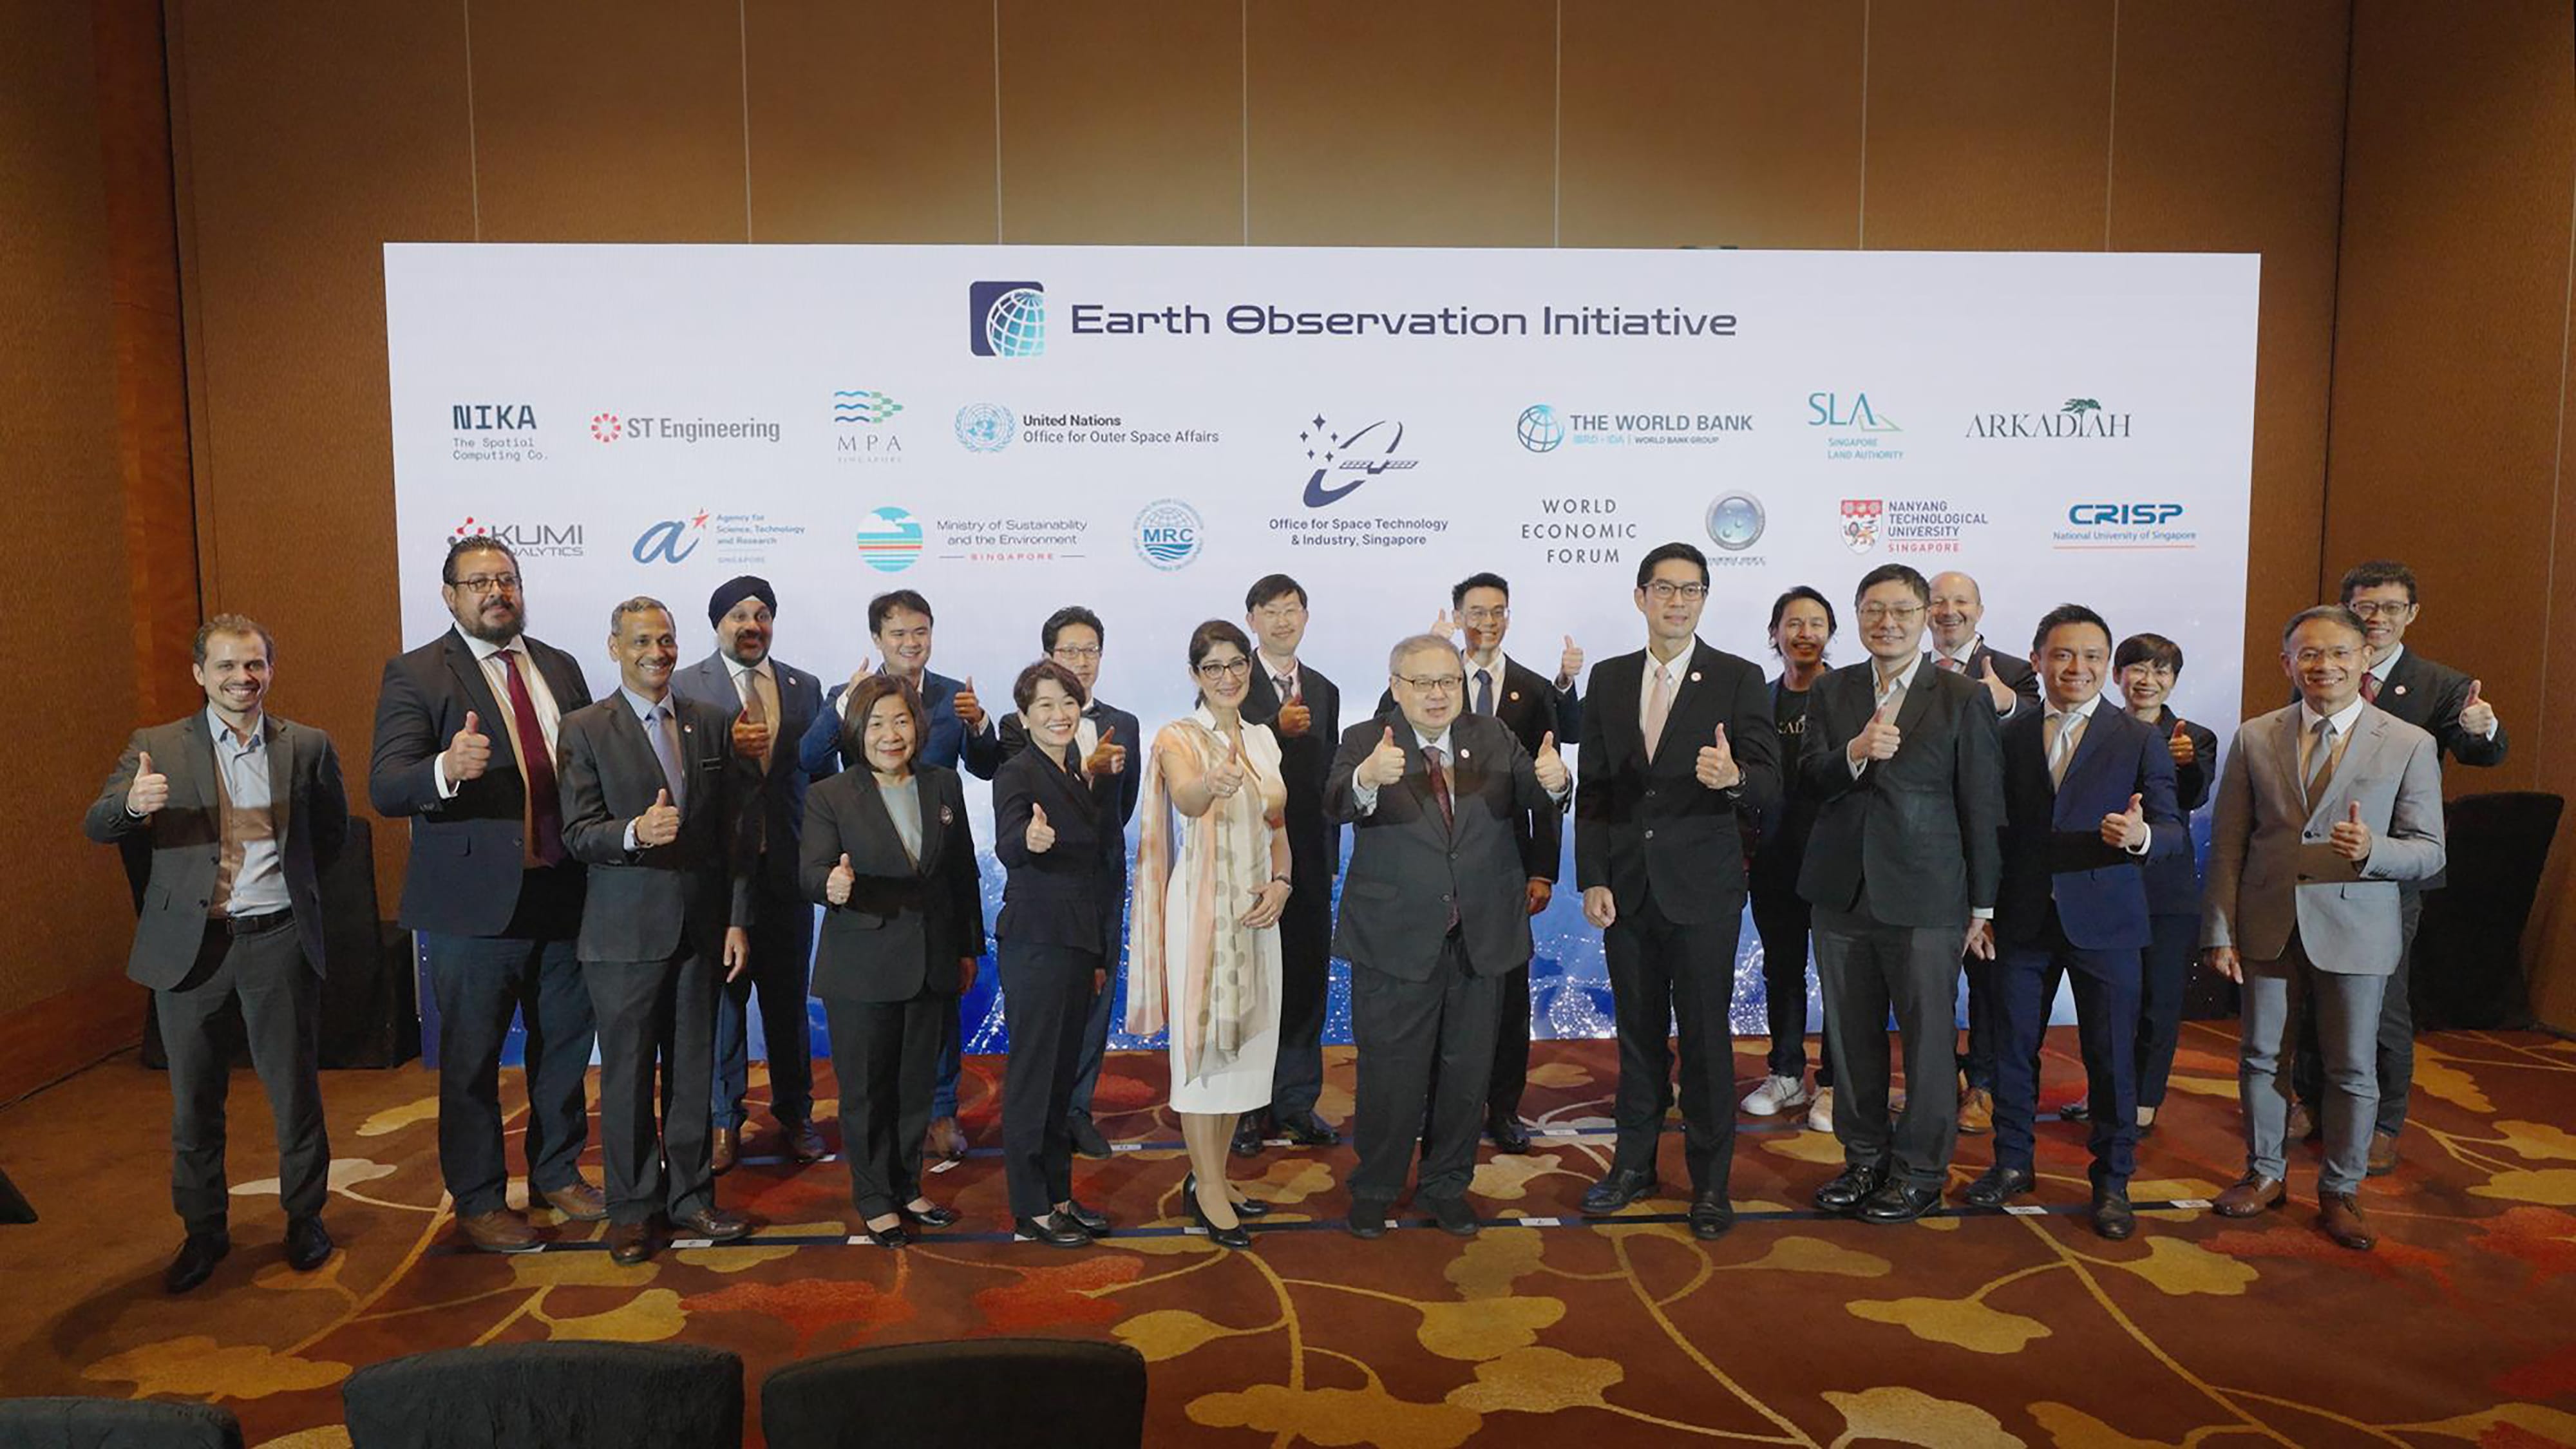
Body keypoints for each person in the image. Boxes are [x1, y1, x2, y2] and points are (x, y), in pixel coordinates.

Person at [84, 616, 350, 1293]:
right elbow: (97, 824)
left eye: (254, 664)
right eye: (227, 666)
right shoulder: (155, 746)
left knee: (294, 1094)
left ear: (270, 670)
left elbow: (330, 835)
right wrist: (132, 807)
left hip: (278, 939)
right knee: (194, 1102)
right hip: (191, 949)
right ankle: (204, 1231)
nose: (242, 678)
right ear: (200, 674)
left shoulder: (308, 745)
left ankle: (305, 1218)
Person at [368, 534, 603, 1253]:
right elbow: (387, 785)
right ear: (450, 596)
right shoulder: (416, 674)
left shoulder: (559, 666)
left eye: (506, 579)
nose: (496, 592)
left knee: (564, 1048)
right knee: (471, 1062)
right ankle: (478, 1198)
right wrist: (444, 767)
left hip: (565, 891)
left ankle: (557, 1172)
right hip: (474, 909)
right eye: (478, 583)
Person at [2202, 605, 2445, 1252]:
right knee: (2260, 1057)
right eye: (2308, 653)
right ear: (2287, 663)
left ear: (2364, 659)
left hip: (2358, 927)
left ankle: (2341, 1189)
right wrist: (2219, 929)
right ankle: (2264, 1173)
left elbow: (2430, 851)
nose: (2324, 666)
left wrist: (2373, 850)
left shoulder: (2408, 743)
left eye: (2339, 653)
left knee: (2351, 1067)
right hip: (2268, 923)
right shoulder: (2255, 737)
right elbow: (2228, 844)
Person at [1571, 543, 1780, 1238]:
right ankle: (1633, 1166)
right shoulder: (1608, 679)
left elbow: (1770, 784)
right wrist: (1593, 876)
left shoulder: (1738, 677)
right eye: (1665, 588)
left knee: (1705, 1041)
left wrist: (1735, 779)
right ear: (1641, 597)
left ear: (1704, 600)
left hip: (1703, 893)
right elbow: (1595, 790)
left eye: (1691, 590)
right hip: (1627, 891)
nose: (1678, 602)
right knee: (1636, 1037)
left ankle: (1710, 1183)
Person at [1333, 634, 1573, 1240]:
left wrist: (1555, 783)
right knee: (1390, 1074)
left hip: (1481, 935)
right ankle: (1376, 1187)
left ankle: (1446, 1185)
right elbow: (1332, 803)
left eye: (1448, 682)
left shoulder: (1492, 736)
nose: (1438, 695)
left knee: (1467, 1073)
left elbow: (1535, 794)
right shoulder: (1364, 740)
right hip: (1395, 939)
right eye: (1423, 683)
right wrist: (1365, 779)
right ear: (1396, 687)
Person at [2286, 561, 2510, 1173]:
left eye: (2390, 608)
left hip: (2391, 868)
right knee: (2313, 985)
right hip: (2321, 863)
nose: (2377, 619)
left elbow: (2478, 752)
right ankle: (2310, 1099)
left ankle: (2384, 1121)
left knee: (2381, 999)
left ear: (2412, 614)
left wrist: (2482, 730)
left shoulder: (2440, 684)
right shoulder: (2323, 667)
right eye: (2365, 607)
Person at [1798, 562, 2003, 1224]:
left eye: (1902, 612)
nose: (1886, 623)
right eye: (1873, 610)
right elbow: (1810, 777)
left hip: (1927, 897)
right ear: (1858, 616)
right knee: (1849, 1039)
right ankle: (1863, 1159)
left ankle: (1919, 1172)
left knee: (1927, 1043)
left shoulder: (1960, 696)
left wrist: (1982, 906)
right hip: (1840, 894)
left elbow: (1981, 806)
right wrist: (1855, 751)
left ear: (1925, 618)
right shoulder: (1831, 690)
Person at [1972, 605, 2183, 1239]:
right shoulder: (2009, 734)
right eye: (2063, 654)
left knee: (2112, 1057)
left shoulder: (2138, 737)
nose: (2077, 667)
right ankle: (2012, 1163)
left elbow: (2171, 829)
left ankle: (2113, 1181)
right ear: (2037, 660)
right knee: (2011, 1050)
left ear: (2106, 665)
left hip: (2107, 922)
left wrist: (2141, 837)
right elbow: (1990, 829)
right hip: (2021, 918)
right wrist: (1981, 908)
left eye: (2092, 656)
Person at [556, 598, 756, 1265]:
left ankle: (692, 1198)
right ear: (614, 647)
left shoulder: (711, 721)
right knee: (628, 1079)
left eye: (666, 639)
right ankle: (633, 1210)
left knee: (694, 1073)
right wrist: (635, 832)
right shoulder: (585, 728)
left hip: (702, 932)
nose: (657, 652)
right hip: (623, 938)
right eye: (641, 641)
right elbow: (577, 833)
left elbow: (733, 832)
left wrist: (736, 919)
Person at [797, 589, 999, 1164]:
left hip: (934, 874)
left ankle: (941, 1111)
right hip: (871, 884)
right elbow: (809, 758)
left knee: (938, 1011)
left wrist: (980, 724)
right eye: (898, 634)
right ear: (877, 639)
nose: (911, 643)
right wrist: (844, 705)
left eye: (920, 632)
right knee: (879, 1036)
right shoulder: (849, 695)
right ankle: (883, 1144)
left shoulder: (953, 696)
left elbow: (986, 767)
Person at [1370, 573, 1565, 1153]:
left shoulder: (1531, 688)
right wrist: (1427, 657)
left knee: (1505, 1001)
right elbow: (1385, 735)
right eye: (1476, 612)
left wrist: (1543, 868)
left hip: (1501, 873)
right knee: (1436, 1005)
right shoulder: (1422, 679)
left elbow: (1546, 779)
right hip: (1429, 878)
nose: (1487, 621)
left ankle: (1503, 1108)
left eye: (1498, 611)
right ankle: (1433, 1108)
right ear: (1457, 617)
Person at [800, 674, 986, 1248]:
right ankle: (874, 1197)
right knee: (867, 1092)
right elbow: (810, 871)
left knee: (915, 1088)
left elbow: (961, 874)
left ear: (918, 727)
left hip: (931, 960)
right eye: (878, 723)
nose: (890, 734)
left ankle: (907, 1186)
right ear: (858, 730)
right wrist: (830, 885)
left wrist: (968, 948)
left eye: (901, 721)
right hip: (862, 967)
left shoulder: (943, 783)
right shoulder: (831, 794)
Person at [1128, 621, 1291, 1249]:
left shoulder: (1263, 737)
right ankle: (1208, 1187)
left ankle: (1213, 1177)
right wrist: (1211, 784)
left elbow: (1279, 826)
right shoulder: (1178, 736)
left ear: (1249, 666)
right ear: (1195, 675)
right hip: (1202, 909)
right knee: (1204, 1047)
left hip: (1259, 908)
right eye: (1212, 668)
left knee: (1245, 1046)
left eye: (1236, 664)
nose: (1227, 677)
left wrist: (1283, 884)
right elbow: (1189, 799)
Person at [675, 576, 826, 1173]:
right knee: (724, 1003)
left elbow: (818, 775)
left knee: (788, 1003)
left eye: (762, 614)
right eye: (738, 614)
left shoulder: (804, 687)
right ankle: (723, 1118)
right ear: (718, 624)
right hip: (717, 876)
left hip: (787, 872)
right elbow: (679, 774)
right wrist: (725, 747)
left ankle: (796, 1113)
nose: (751, 625)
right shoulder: (686, 687)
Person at [996, 606, 1142, 1160]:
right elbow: (1026, 797)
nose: (1081, 661)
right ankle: (1042, 1127)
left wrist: (1100, 783)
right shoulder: (1019, 724)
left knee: (1095, 1001)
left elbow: (1119, 812)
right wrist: (1086, 775)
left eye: (1090, 651)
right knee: (1044, 1024)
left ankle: (1077, 1109)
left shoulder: (1124, 724)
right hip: (1045, 894)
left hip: (1101, 882)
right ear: (1048, 657)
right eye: (1069, 651)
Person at [2058, 633, 2217, 1133]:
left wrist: (2186, 764)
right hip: (2102, 885)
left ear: (2174, 680)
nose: (2149, 680)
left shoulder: (2194, 737)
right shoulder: (2095, 729)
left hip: (2164, 890)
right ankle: (2106, 1092)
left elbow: (2191, 798)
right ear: (2118, 675)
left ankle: (2145, 1097)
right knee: (2108, 1003)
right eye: (2138, 669)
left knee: (2158, 999)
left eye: (2161, 671)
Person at [992, 659, 1126, 1247]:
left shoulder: (1074, 771)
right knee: (1034, 1078)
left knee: (1060, 1081)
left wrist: (1096, 954)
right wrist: (1029, 838)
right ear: (1024, 717)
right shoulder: (1017, 773)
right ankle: (1030, 1207)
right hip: (1037, 940)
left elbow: (1093, 869)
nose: (1059, 714)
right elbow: (1009, 839)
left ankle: (1059, 1197)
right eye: (1044, 705)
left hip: (1075, 941)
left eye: (1068, 702)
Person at [1233, 576, 1343, 1156]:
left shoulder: (1324, 689)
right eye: (1270, 611)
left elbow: (1329, 779)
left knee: (1304, 982)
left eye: (1292, 610)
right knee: (1253, 983)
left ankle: (1296, 1102)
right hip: (1251, 859)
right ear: (1252, 620)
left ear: (1306, 616)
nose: (1283, 621)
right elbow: (1226, 760)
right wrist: (1276, 729)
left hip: (1310, 860)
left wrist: (1329, 857)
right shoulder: (1232, 683)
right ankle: (1248, 1107)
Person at [1926, 569, 2038, 1136]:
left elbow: (2042, 731)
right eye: (1938, 601)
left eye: (1961, 601)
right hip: (1926, 851)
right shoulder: (1908, 671)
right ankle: (1937, 1080)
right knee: (1928, 977)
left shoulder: (2015, 673)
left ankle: (1985, 1085)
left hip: (1991, 847)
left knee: (1988, 975)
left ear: (1980, 609)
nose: (1949, 610)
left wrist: (2007, 704)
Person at [1742, 585, 1840, 1132]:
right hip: (1774, 858)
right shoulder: (1757, 699)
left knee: (1840, 975)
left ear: (1830, 633)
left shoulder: (1849, 694)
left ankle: (1835, 1083)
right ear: (1775, 633)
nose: (1805, 633)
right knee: (1781, 970)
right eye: (1794, 623)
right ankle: (1785, 1073)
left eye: (1816, 623)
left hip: (1835, 860)